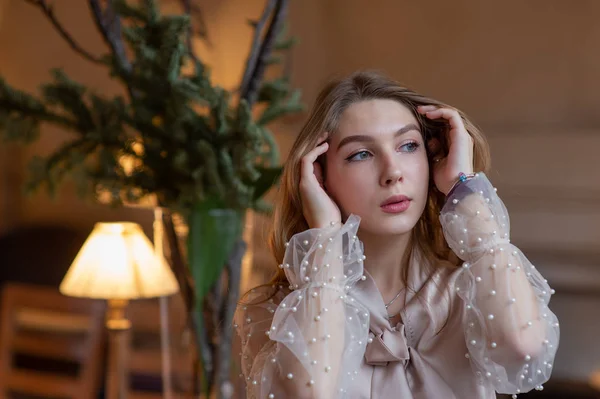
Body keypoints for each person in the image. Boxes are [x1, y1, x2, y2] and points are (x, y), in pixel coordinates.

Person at [233, 71, 559, 398]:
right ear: (320, 176)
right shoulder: (277, 313)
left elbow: (524, 350)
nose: (393, 172)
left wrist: (464, 187)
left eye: (408, 145)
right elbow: (309, 393)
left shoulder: (472, 293)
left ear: (431, 156)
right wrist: (326, 237)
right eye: (361, 153)